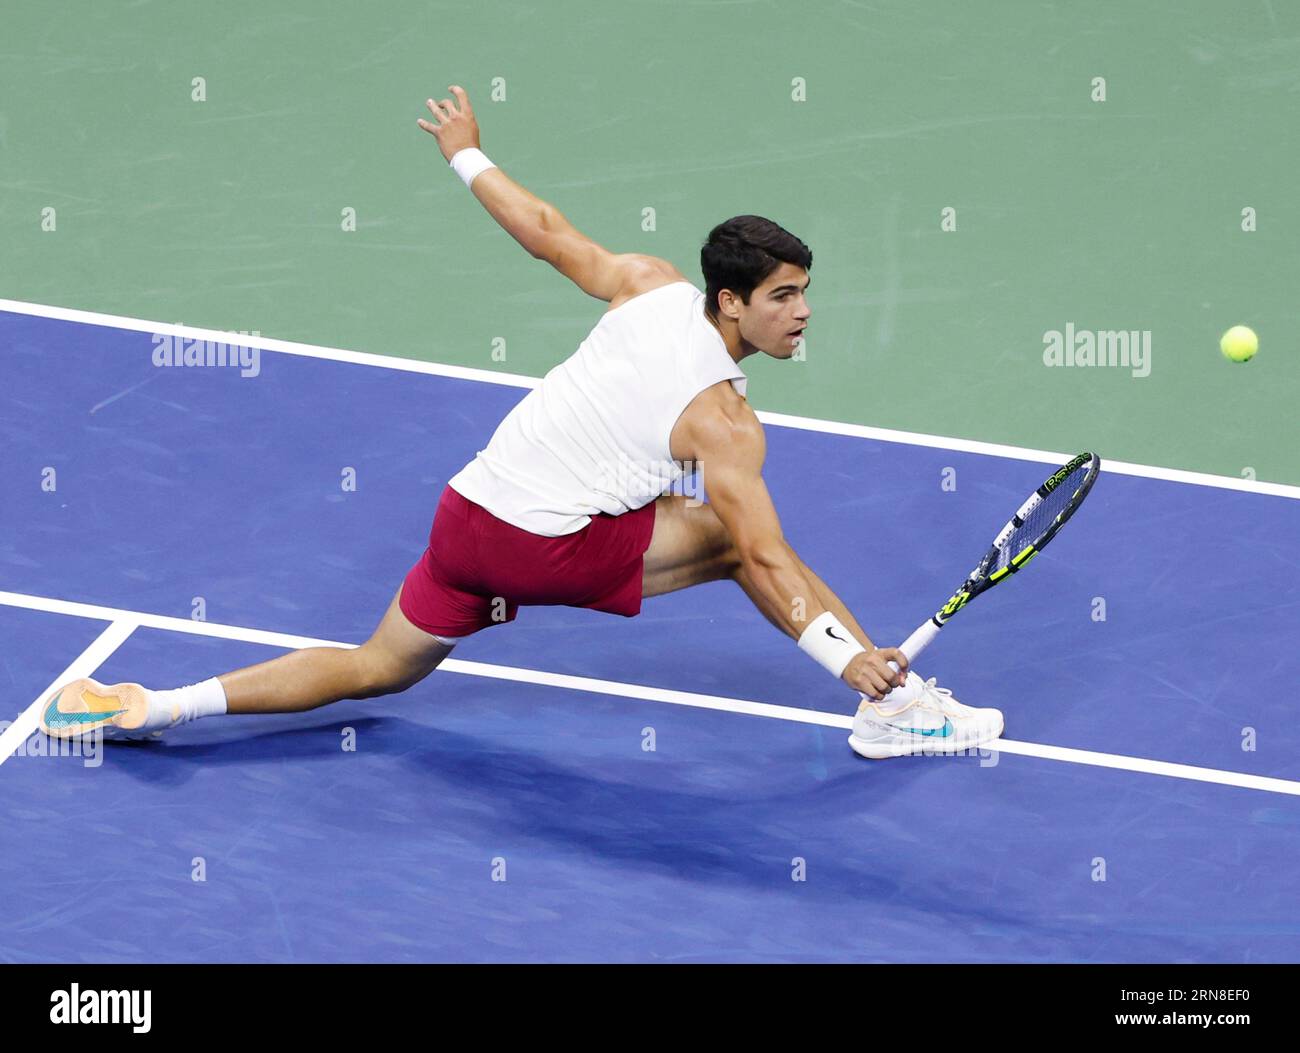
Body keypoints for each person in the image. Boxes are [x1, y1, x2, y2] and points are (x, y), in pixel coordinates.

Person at [41, 86, 1002, 760]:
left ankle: (147, 703)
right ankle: (894, 712)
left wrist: (464, 150)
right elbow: (765, 559)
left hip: (464, 515)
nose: (802, 313)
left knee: (380, 666)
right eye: (784, 297)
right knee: (724, 538)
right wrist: (849, 659)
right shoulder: (724, 424)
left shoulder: (646, 284)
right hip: (529, 545)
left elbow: (546, 233)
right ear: (731, 302)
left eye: (805, 294)